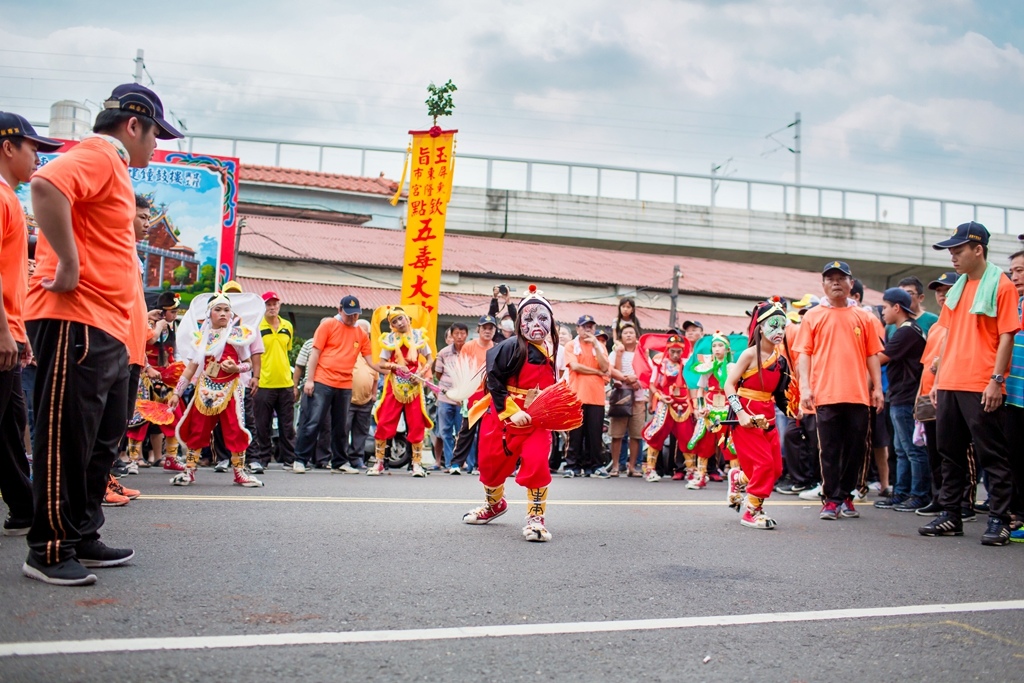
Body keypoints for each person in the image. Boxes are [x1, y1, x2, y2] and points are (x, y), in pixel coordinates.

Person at [24, 84, 183, 585]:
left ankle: (83, 533)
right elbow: (46, 186)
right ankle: (49, 548)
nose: (157, 145)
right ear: (133, 124)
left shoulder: (114, 167)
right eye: (156, 133)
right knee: (67, 436)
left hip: (111, 332)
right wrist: (68, 263)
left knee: (98, 440)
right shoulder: (100, 153)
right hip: (79, 319)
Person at [920, 222, 1018, 546]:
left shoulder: (1000, 285)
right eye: (951, 251)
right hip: (950, 380)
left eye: (958, 250)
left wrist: (996, 380)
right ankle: (951, 515)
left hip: (980, 381)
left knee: (991, 454)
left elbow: (1007, 336)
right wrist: (938, 377)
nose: (953, 257)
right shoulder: (959, 288)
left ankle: (1000, 519)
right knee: (949, 451)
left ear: (978, 249)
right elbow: (947, 334)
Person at [0, 113, 60, 539]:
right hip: (1, 332)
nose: (37, 156)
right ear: (7, 147)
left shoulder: (10, 198)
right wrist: (4, 330)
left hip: (11, 333)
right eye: (31, 147)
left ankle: (23, 508)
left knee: (8, 425)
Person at [463, 286, 561, 542]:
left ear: (551, 322)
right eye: (529, 318)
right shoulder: (508, 347)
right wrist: (511, 411)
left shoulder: (555, 352)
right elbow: (493, 381)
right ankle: (494, 504)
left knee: (538, 462)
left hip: (537, 418)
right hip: (504, 416)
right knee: (491, 465)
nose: (536, 324)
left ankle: (536, 518)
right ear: (519, 323)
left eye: (542, 318)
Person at [794, 261, 884, 521]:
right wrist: (806, 388)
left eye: (841, 278)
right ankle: (831, 499)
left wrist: (877, 388)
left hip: (857, 394)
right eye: (830, 279)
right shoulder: (813, 316)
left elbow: (872, 355)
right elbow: (804, 356)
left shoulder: (864, 317)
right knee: (830, 450)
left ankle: (846, 495)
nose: (836, 283)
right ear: (823, 284)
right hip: (826, 394)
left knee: (855, 449)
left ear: (851, 284)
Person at [167, 293, 264, 488]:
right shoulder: (202, 338)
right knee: (197, 428)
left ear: (231, 314)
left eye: (226, 310)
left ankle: (239, 472)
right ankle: (189, 471)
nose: (223, 314)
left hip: (230, 389)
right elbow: (191, 368)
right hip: (205, 389)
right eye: (218, 310)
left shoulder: (237, 336)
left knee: (235, 429)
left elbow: (248, 364)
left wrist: (237, 369)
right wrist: (177, 392)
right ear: (209, 314)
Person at [294, 296, 381, 474]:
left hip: (344, 384)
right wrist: (310, 380)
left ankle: (340, 462)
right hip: (322, 380)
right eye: (349, 314)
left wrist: (391, 369)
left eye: (356, 314)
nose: (352, 318)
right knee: (313, 421)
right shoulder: (328, 325)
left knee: (341, 425)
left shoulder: (361, 334)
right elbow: (315, 354)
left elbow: (371, 361)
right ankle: (300, 459)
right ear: (339, 309)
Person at [724, 300, 790, 529]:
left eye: (783, 325)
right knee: (763, 464)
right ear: (760, 327)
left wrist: (794, 410)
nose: (779, 330)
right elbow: (729, 385)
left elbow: (781, 393)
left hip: (767, 415)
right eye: (774, 324)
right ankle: (753, 510)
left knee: (776, 468)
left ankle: (738, 479)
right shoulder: (749, 354)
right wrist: (740, 413)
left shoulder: (781, 360)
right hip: (746, 415)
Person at [874, 288, 929, 512]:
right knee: (901, 448)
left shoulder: (907, 331)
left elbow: (880, 358)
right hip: (900, 396)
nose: (883, 312)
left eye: (885, 307)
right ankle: (902, 492)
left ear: (897, 308)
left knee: (912, 449)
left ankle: (919, 495)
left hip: (906, 397)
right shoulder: (906, 330)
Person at [369, 306, 434, 477]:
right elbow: (381, 362)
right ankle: (379, 462)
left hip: (414, 384)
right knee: (385, 420)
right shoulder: (390, 339)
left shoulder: (419, 336)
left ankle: (417, 464)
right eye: (394, 321)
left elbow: (430, 358)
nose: (399, 322)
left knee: (417, 422)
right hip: (394, 384)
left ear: (407, 319)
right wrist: (396, 366)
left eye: (400, 318)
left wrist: (420, 373)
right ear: (392, 325)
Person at [640, 335, 695, 483]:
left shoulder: (688, 364)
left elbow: (693, 384)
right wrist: (660, 396)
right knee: (656, 434)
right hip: (665, 403)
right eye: (672, 352)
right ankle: (650, 469)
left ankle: (691, 471)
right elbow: (652, 384)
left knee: (687, 435)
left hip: (684, 405)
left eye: (678, 351)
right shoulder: (660, 364)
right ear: (668, 350)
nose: (676, 355)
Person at [251, 291, 295, 471]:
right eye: (268, 304)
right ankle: (263, 458)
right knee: (262, 424)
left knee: (287, 424)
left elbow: (287, 350)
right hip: (264, 382)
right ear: (263, 307)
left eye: (275, 304)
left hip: (285, 382)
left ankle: (289, 459)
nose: (272, 307)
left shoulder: (287, 326)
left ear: (279, 306)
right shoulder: (256, 326)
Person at [563, 314, 609, 477]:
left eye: (591, 326)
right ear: (578, 328)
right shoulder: (571, 345)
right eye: (584, 326)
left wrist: (596, 345)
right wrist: (596, 372)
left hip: (596, 397)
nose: (588, 329)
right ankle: (571, 465)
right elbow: (575, 366)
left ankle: (595, 466)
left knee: (595, 435)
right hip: (576, 396)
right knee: (575, 434)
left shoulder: (600, 347)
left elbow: (605, 367)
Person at [686, 331, 733, 489]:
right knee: (704, 441)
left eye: (720, 345)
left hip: (727, 406)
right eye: (714, 346)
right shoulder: (707, 367)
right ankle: (701, 476)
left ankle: (736, 477)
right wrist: (701, 407)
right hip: (710, 406)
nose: (717, 349)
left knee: (730, 443)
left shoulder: (733, 367)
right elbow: (700, 389)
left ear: (727, 349)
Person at [451, 315, 498, 474]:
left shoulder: (497, 347)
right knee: (466, 430)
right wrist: (461, 392)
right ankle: (456, 463)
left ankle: (479, 465)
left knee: (486, 432)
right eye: (484, 328)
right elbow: (460, 370)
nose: (487, 331)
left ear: (494, 330)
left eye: (490, 328)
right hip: (472, 393)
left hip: (489, 395)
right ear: (478, 329)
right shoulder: (469, 346)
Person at [291, 326, 332, 469]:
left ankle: (323, 459)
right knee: (307, 422)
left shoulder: (334, 344)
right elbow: (299, 366)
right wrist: (295, 386)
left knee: (326, 425)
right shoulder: (309, 343)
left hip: (328, 387)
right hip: (310, 388)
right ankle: (302, 458)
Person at [608, 322, 645, 476]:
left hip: (638, 397)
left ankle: (632, 467)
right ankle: (616, 466)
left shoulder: (642, 353)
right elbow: (610, 370)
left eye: (631, 332)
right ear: (621, 337)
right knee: (617, 434)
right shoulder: (616, 352)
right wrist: (627, 378)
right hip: (621, 396)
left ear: (636, 336)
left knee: (636, 434)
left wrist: (636, 380)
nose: (629, 335)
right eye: (625, 333)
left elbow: (648, 373)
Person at [1005, 250, 1024, 542]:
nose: (1015, 276)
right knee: (1015, 458)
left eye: (1021, 270)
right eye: (1013, 271)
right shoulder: (1014, 304)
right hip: (1011, 394)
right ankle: (1018, 515)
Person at [344, 319, 378, 472]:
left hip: (366, 400)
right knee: (343, 429)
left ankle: (357, 458)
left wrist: (373, 394)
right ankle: (341, 458)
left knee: (361, 431)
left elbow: (375, 376)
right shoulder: (348, 348)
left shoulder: (372, 353)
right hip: (348, 399)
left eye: (366, 332)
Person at [434, 322, 468, 471]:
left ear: (466, 334)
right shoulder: (443, 352)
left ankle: (461, 462)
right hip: (445, 397)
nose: (459, 336)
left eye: (462, 333)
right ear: (452, 335)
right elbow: (438, 374)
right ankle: (449, 463)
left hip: (463, 399)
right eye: (456, 333)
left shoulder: (470, 351)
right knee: (445, 431)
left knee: (462, 431)